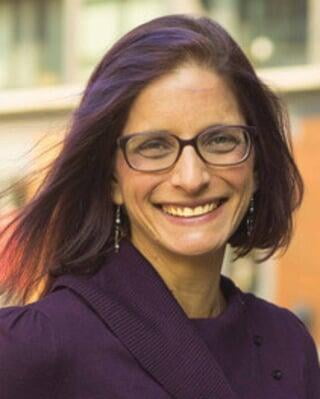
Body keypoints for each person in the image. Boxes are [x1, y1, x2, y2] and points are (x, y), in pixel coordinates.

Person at [0, 14, 319, 399]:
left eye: (220, 140)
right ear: (111, 180)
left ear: (255, 163)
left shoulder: (287, 344)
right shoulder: (34, 348)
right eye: (154, 147)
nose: (191, 177)